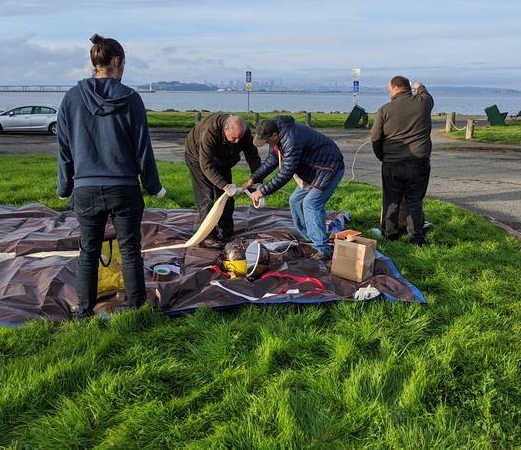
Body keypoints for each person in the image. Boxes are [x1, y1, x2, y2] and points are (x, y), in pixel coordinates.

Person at [57, 34, 166, 319]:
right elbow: (143, 148)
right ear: (117, 62)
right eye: (124, 63)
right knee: (130, 250)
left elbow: (64, 148)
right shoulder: (131, 98)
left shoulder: (71, 98)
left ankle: (83, 311)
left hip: (86, 189)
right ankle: (137, 308)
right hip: (124, 188)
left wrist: (64, 186)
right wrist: (154, 186)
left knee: (87, 252)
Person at [244, 116, 345, 260]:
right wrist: (252, 180)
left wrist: (262, 191)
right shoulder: (277, 138)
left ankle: (322, 249)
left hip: (329, 168)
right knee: (295, 201)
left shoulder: (291, 140)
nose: (267, 144)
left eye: (267, 141)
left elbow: (286, 172)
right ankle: (308, 236)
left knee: (311, 204)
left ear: (274, 135)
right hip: (313, 171)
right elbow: (271, 161)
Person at [370, 75, 434, 245]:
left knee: (391, 200)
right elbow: (426, 94)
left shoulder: (385, 110)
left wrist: (382, 156)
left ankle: (390, 233)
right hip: (419, 162)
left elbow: (375, 138)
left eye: (389, 89)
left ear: (397, 88)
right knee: (415, 201)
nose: (388, 93)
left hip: (392, 163)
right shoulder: (423, 103)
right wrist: (419, 86)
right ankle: (416, 237)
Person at [184, 113, 261, 248]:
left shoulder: (244, 133)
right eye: (234, 137)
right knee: (206, 198)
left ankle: (227, 232)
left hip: (223, 161)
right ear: (225, 129)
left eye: (240, 137)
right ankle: (208, 236)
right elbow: (206, 164)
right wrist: (224, 185)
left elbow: (253, 157)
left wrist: (258, 180)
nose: (237, 141)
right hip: (198, 159)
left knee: (227, 198)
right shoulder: (210, 130)